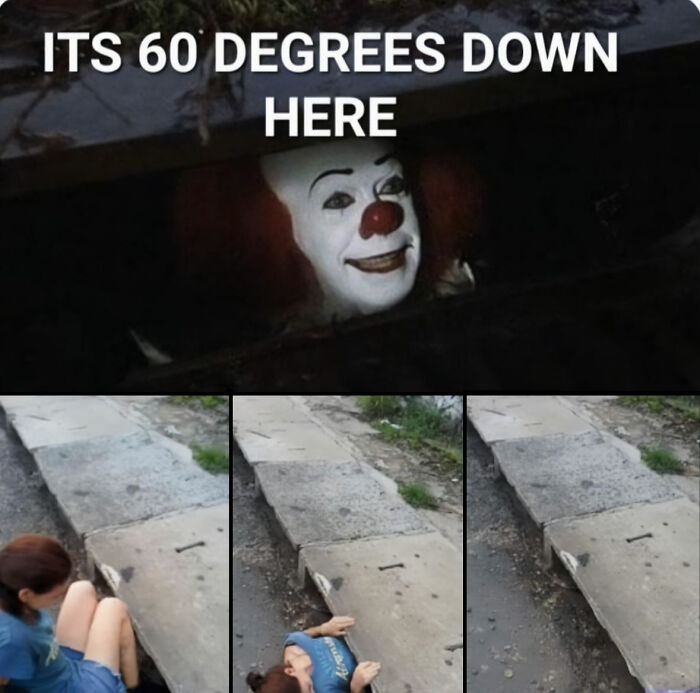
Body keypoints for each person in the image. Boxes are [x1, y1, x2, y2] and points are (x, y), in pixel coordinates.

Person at [0, 535, 139, 693]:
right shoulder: (12, 640)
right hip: (75, 688)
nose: (60, 600)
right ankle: (131, 686)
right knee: (113, 606)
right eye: (55, 596)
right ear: (25, 595)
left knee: (81, 588)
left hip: (61, 664)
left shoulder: (9, 595)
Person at [246, 616, 380, 693]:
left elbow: (303, 635)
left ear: (290, 671)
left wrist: (323, 628)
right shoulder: (324, 690)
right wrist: (356, 687)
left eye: (308, 688)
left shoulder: (294, 648)